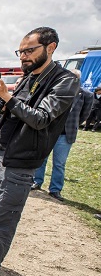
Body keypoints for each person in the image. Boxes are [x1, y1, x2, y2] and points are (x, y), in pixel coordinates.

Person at [0, 26, 78, 276]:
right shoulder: (28, 77)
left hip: (22, 160)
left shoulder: (65, 80)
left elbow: (41, 118)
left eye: (29, 51)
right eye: (20, 52)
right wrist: (0, 101)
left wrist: (7, 98)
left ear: (51, 47)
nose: (23, 57)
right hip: (0, 152)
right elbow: (14, 107)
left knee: (4, 217)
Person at [32, 69, 93, 201]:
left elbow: (85, 114)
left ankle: (55, 189)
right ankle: (37, 182)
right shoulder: (56, 90)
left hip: (66, 134)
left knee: (59, 163)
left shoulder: (86, 95)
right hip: (49, 131)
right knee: (42, 158)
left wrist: (73, 124)